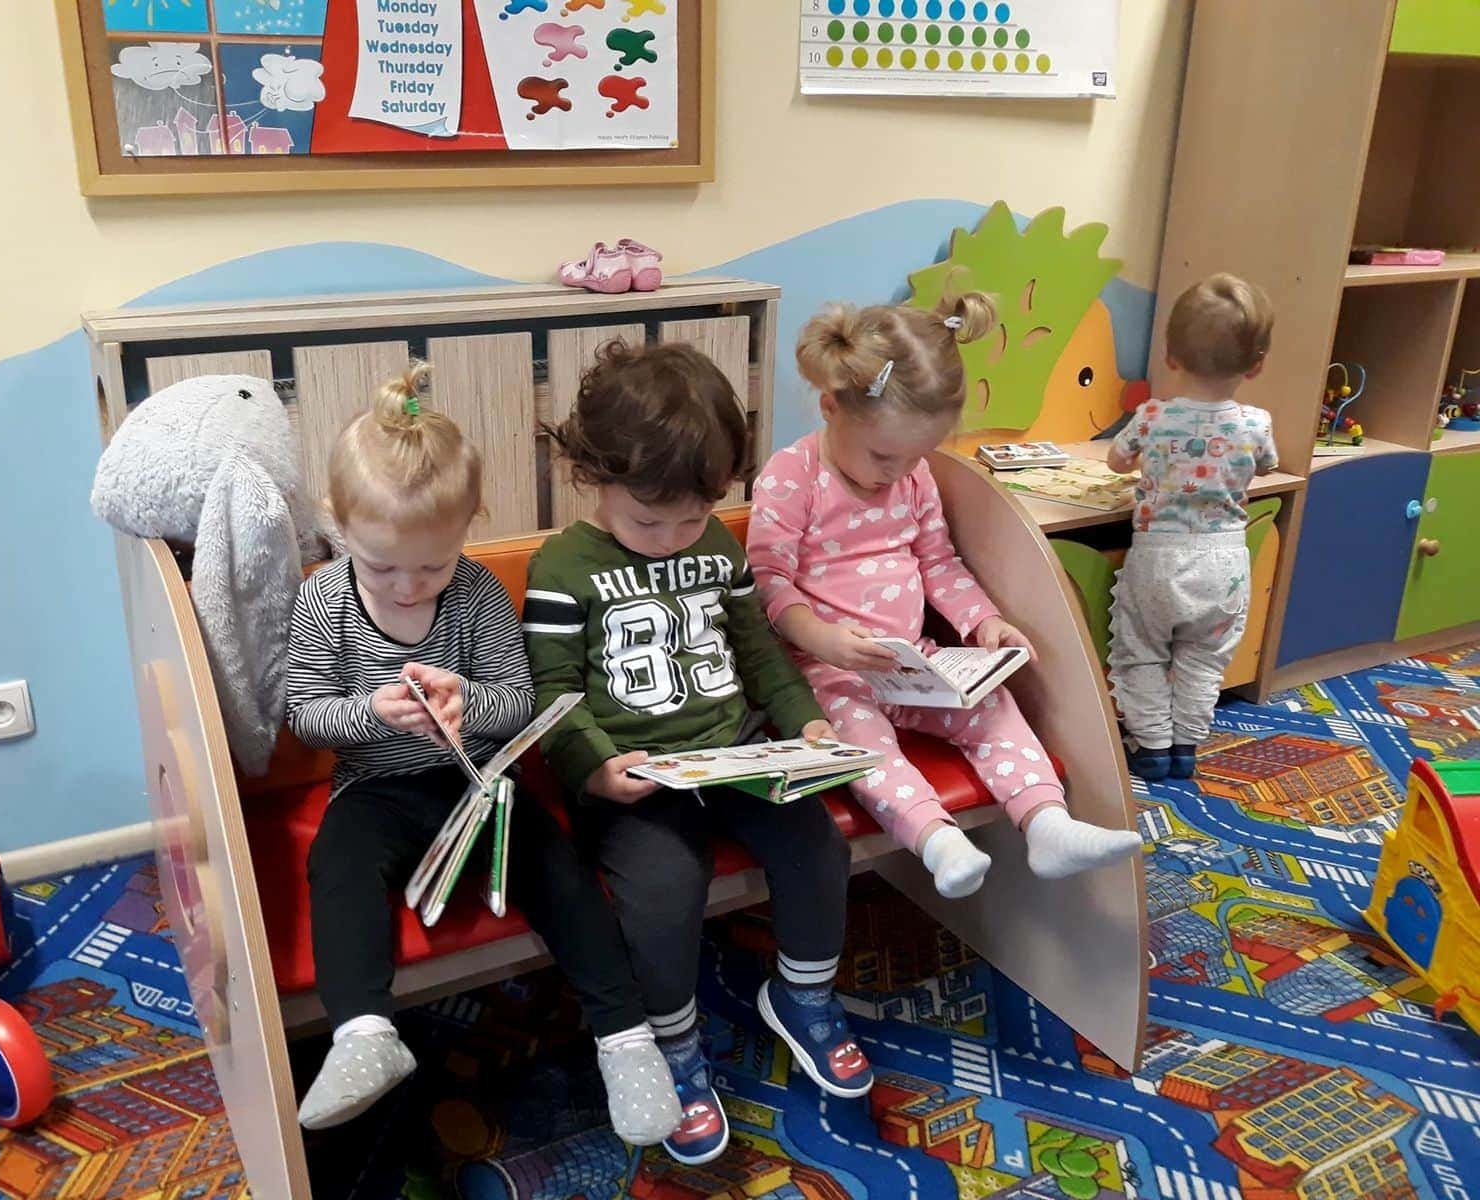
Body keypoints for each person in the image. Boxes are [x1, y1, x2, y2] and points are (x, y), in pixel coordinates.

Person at [285, 364, 680, 1144]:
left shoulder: (474, 594)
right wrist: (371, 712)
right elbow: (306, 716)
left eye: (432, 566)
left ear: (468, 526)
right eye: (381, 566)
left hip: (479, 784)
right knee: (338, 867)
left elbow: (518, 702)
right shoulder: (323, 599)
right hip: (375, 791)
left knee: (560, 869)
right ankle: (363, 1033)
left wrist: (467, 703)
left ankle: (627, 1038)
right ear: (338, 527)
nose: (408, 588)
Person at [524, 341, 872, 1167]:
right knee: (663, 891)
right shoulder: (564, 566)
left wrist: (806, 725)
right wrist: (594, 768)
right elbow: (553, 692)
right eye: (650, 521)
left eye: (692, 517)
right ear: (592, 475)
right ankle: (673, 1046)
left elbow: (759, 655)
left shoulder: (715, 545)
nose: (673, 538)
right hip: (635, 775)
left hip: (735, 752)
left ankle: (804, 995)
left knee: (818, 843)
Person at [747, 296, 1142, 901]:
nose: (897, 471)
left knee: (993, 706)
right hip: (828, 671)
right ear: (831, 407)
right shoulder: (792, 474)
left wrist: (983, 621)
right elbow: (768, 581)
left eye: (916, 455)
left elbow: (938, 561)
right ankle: (937, 840)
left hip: (915, 660)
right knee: (860, 743)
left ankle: (1047, 823)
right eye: (884, 455)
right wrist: (824, 640)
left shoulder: (913, 476)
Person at [1107, 273, 1279, 780]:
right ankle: (1186, 747)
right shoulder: (1256, 423)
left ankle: (1152, 746)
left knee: (1141, 653)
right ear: (1257, 365)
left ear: (1170, 357)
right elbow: (1268, 465)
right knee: (1204, 659)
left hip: (1159, 559)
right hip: (1223, 564)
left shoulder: (1153, 416)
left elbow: (1117, 461)